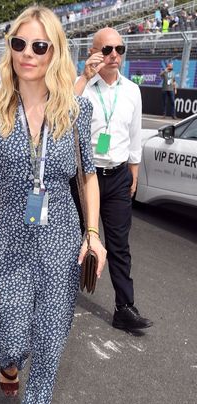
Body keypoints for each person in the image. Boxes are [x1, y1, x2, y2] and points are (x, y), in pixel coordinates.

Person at [0, 6, 106, 404]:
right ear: (9, 49)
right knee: (8, 328)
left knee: (48, 343)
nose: (28, 54)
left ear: (55, 52)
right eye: (19, 44)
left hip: (61, 236)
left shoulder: (77, 108)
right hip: (7, 233)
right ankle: (7, 363)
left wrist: (93, 235)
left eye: (39, 46)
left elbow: (88, 178)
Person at [75, 27, 153, 332]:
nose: (114, 55)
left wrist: (133, 169)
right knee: (73, 239)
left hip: (118, 176)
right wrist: (83, 77)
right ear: (93, 52)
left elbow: (135, 134)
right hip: (83, 178)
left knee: (119, 245)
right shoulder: (82, 86)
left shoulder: (132, 90)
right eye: (107, 49)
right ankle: (61, 297)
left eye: (120, 49)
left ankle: (125, 308)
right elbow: (62, 113)